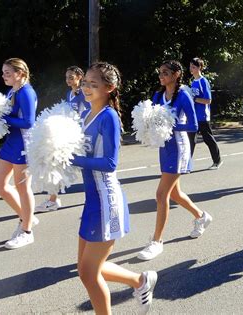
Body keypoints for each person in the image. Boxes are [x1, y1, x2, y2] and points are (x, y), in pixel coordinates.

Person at [72, 62, 157, 314]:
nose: (86, 87)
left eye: (93, 84)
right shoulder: (87, 113)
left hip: (106, 199)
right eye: (85, 82)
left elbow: (110, 163)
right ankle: (140, 281)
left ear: (109, 88)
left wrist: (71, 158)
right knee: (85, 269)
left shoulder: (108, 116)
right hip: (91, 200)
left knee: (89, 274)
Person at [137, 60, 212, 261]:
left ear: (177, 74)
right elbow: (152, 119)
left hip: (179, 147)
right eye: (160, 72)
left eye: (165, 72)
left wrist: (170, 125)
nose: (161, 75)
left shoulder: (184, 96)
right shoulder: (157, 95)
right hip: (164, 148)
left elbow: (193, 125)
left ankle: (156, 241)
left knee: (161, 195)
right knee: (175, 193)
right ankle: (201, 216)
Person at [0, 58, 38, 249]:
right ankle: (27, 217)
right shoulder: (12, 90)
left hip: (23, 144)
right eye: (3, 72)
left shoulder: (26, 92)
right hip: (11, 141)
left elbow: (28, 122)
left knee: (23, 188)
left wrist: (2, 117)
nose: (4, 76)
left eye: (8, 73)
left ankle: (27, 231)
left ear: (21, 73)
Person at [35, 65, 90, 213]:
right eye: (66, 77)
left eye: (71, 77)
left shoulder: (84, 93)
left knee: (85, 167)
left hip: (78, 134)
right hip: (67, 133)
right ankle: (53, 199)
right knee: (57, 165)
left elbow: (88, 111)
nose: (68, 80)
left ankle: (92, 196)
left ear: (80, 77)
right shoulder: (69, 94)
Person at [187, 57, 222, 170]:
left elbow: (208, 100)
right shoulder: (193, 82)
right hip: (194, 116)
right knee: (190, 140)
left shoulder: (203, 81)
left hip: (202, 116)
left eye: (194, 67)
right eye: (190, 67)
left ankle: (217, 161)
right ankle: (186, 164)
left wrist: (194, 99)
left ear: (200, 68)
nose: (191, 69)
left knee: (208, 139)